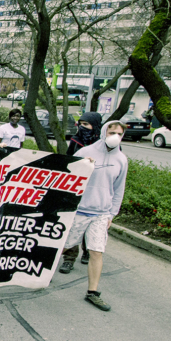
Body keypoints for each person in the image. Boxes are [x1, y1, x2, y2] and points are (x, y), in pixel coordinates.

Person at [59, 120, 128, 311]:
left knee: (96, 251)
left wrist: (111, 215)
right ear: (103, 131)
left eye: (119, 134)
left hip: (101, 214)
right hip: (79, 211)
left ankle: (92, 292)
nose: (115, 136)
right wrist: (82, 166)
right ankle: (35, 274)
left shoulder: (121, 159)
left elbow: (118, 189)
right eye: (111, 131)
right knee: (62, 247)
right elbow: (68, 178)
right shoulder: (84, 152)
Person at [60, 111, 103, 270]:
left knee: (89, 222)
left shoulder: (102, 145)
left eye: (87, 124)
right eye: (81, 124)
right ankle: (69, 258)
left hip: (95, 189)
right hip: (77, 187)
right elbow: (69, 161)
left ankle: (87, 250)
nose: (82, 127)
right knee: (73, 224)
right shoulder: (75, 141)